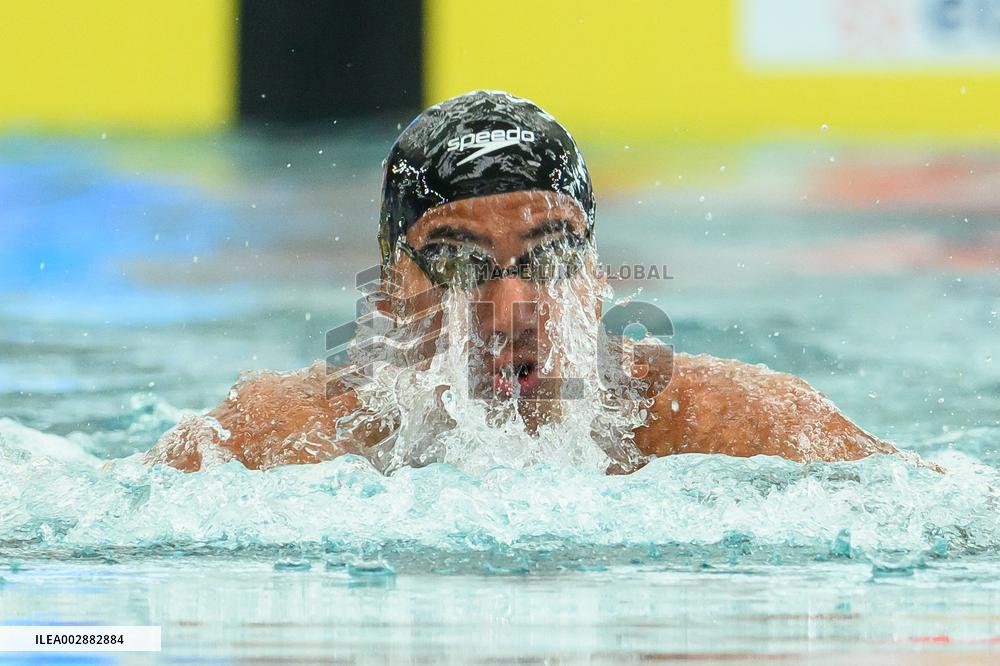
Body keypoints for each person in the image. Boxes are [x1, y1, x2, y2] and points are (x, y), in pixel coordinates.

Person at [145, 90, 897, 473]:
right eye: (453, 262)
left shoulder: (728, 430)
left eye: (548, 257)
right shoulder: (279, 440)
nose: (508, 311)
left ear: (596, 284)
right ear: (384, 296)